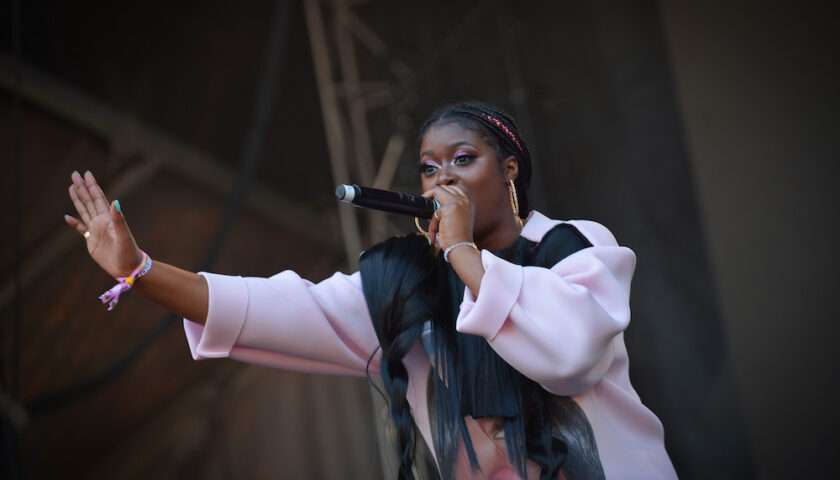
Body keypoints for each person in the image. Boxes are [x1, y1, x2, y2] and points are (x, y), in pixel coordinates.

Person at [65, 102, 677, 480]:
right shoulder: (405, 289)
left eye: (462, 161)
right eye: (429, 170)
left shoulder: (572, 247)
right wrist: (140, 270)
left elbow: (569, 354)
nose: (442, 180)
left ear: (510, 170)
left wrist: (464, 251)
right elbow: (270, 309)